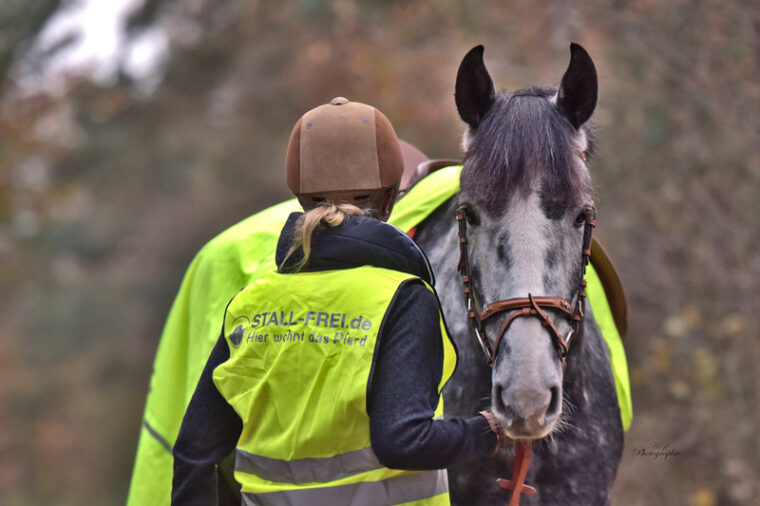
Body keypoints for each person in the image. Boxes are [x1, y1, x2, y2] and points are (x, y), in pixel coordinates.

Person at [170, 98, 504, 506]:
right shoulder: (402, 299)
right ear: (389, 199)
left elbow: (195, 452)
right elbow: (403, 441)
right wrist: (486, 430)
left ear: (300, 198)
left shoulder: (251, 303)